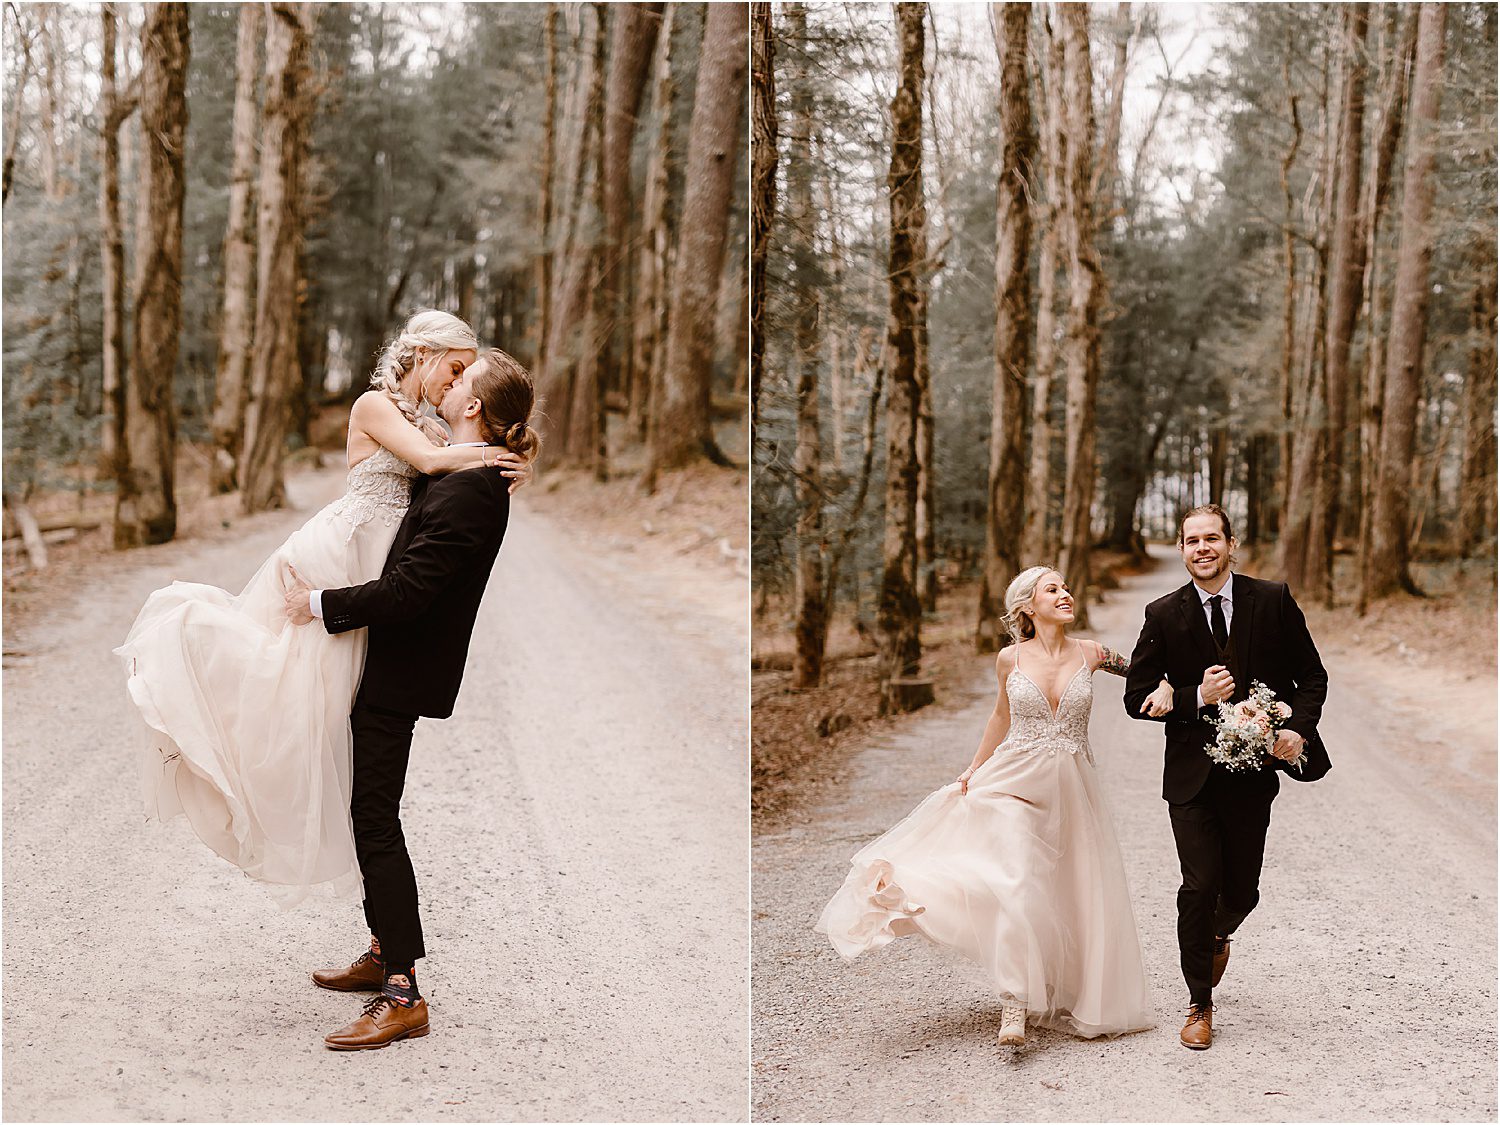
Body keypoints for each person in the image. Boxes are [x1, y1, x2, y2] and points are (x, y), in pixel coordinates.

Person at [116, 310, 531, 907]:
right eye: (456, 366)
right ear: (423, 354)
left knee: (329, 719)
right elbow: (440, 465)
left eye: (467, 373)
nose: (457, 380)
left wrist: (503, 455)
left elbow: (450, 475)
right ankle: (216, 730)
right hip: (342, 552)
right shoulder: (375, 406)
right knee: (283, 680)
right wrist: (501, 454)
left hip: (374, 565)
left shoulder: (440, 429)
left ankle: (380, 932)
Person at [284, 347, 538, 1050]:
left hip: (396, 671)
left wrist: (317, 602)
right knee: (368, 809)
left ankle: (403, 988)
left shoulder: (473, 487)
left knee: (374, 816)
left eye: (463, 379)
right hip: (383, 661)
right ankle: (379, 948)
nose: (450, 384)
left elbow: (409, 592)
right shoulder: (465, 468)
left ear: (475, 407)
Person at [817, 566, 1175, 1048]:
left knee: (1072, 888)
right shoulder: (1009, 659)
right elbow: (1000, 717)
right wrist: (972, 769)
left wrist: (1168, 684)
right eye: (1054, 589)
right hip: (1013, 781)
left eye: (1067, 587)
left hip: (1071, 787)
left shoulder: (1092, 654)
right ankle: (1015, 1000)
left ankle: (1066, 985)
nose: (1066, 594)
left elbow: (1146, 670)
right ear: (1028, 605)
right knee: (1016, 881)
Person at [1122, 503, 1328, 1050]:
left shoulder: (1273, 600)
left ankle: (1219, 932)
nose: (1202, 549)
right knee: (1197, 885)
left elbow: (1312, 676)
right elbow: (1134, 698)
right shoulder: (1163, 614)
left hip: (1253, 774)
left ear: (1231, 544)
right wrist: (1192, 697)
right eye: (1192, 541)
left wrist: (1298, 729)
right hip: (1190, 780)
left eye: (1212, 538)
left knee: (1242, 890)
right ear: (1182, 549)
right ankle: (1198, 1005)